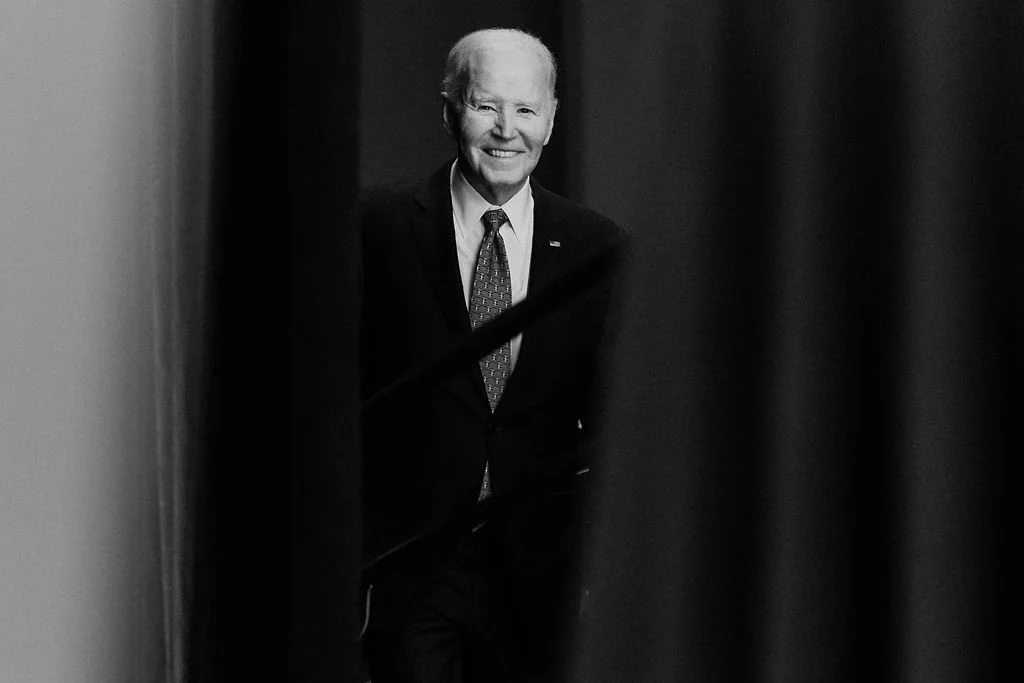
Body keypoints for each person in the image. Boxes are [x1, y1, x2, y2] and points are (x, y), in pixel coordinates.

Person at [359, 28, 626, 683]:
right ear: (450, 108)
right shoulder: (378, 228)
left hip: (538, 576)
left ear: (553, 120)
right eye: (486, 105)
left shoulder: (599, 249)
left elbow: (614, 421)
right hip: (409, 567)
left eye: (527, 110)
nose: (507, 129)